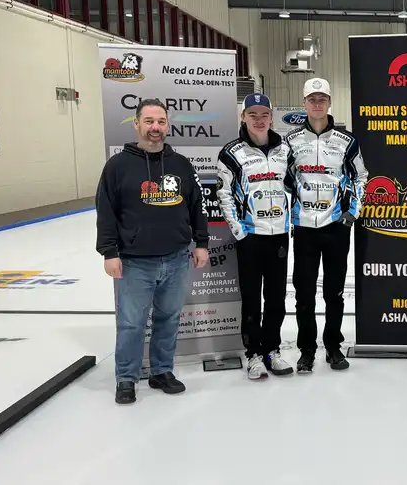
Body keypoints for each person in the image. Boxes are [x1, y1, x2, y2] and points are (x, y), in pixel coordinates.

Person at [96, 98, 209, 405]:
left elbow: (196, 206)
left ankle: (162, 371)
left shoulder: (181, 164)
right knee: (132, 323)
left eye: (160, 121)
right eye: (149, 121)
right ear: (137, 124)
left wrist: (201, 243)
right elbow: (106, 211)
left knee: (168, 318)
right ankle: (126, 378)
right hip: (135, 262)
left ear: (167, 125)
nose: (155, 127)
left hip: (176, 258)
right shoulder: (118, 166)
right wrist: (109, 252)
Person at [285, 78, 368, 373]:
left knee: (334, 292)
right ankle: (306, 350)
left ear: (330, 103)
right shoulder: (290, 142)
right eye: (312, 99)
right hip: (304, 227)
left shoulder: (347, 141)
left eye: (322, 99)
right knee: (304, 294)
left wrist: (352, 212)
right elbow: (283, 180)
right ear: (304, 103)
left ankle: (333, 346)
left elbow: (361, 176)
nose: (317, 104)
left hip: (336, 226)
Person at [216, 93, 294, 379]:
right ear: (243, 117)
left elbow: (295, 185)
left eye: (264, 115)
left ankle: (272, 350)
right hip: (250, 237)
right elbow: (224, 194)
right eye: (253, 115)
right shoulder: (231, 152)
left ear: (271, 118)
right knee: (251, 299)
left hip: (279, 236)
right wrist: (239, 231)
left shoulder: (285, 150)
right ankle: (253, 355)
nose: (259, 120)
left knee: (276, 298)